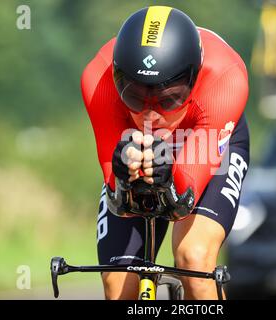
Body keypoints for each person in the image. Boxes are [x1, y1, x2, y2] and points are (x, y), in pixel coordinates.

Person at [81, 5, 250, 300]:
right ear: (119, 78)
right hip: (137, 146)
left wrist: (168, 176)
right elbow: (117, 196)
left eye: (168, 99)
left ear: (193, 79)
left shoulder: (226, 77)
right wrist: (122, 173)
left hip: (204, 137)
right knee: (120, 283)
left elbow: (183, 198)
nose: (150, 114)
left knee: (193, 261)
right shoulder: (99, 77)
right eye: (134, 96)